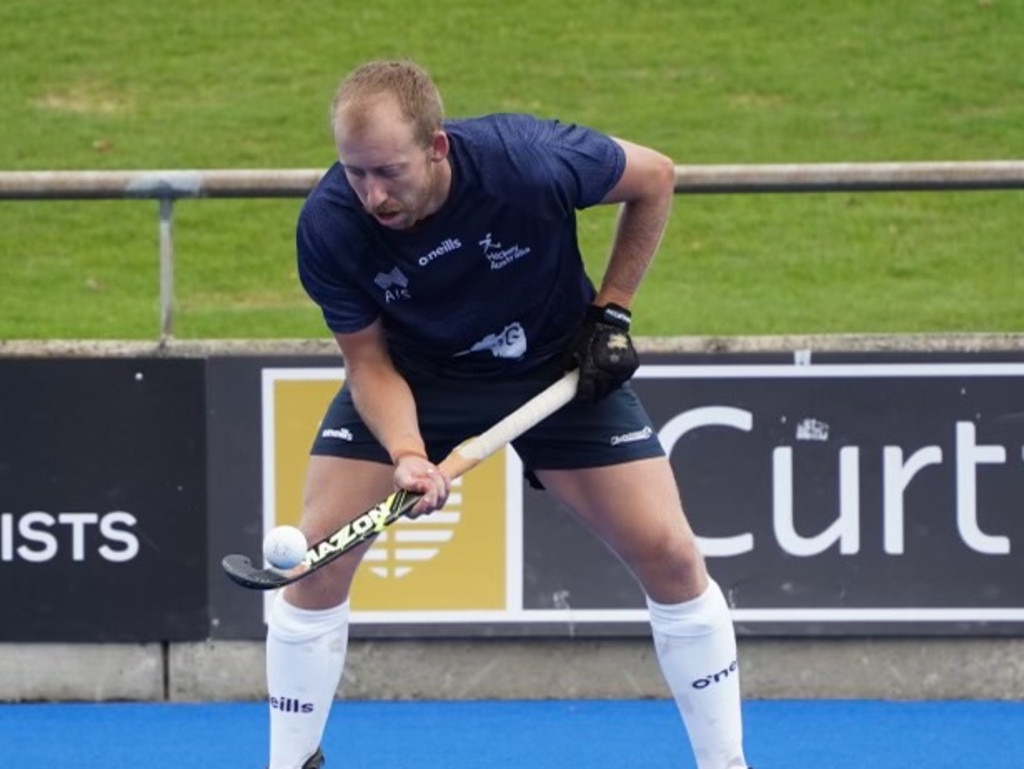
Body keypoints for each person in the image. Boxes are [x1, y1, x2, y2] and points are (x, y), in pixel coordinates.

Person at [265, 58, 751, 769]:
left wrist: (610, 311)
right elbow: (368, 363)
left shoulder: (528, 163)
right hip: (416, 377)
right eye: (355, 172)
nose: (372, 194)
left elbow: (656, 178)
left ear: (438, 147)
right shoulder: (330, 226)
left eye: (388, 171)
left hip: (556, 369)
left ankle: (726, 763)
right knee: (314, 563)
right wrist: (405, 450)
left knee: (673, 557)